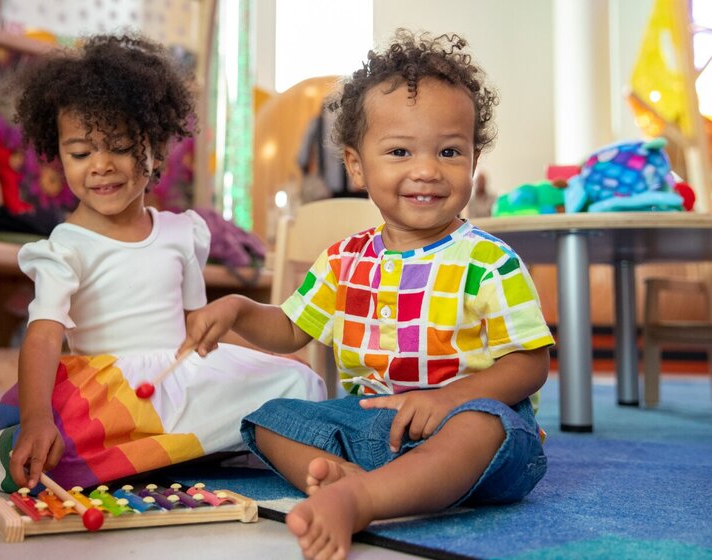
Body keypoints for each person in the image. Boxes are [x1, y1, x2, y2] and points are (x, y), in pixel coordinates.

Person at [181, 29, 554, 560]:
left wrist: (446, 400)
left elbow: (530, 364)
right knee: (266, 421)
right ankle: (357, 480)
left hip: (467, 432)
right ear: (357, 166)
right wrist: (240, 309)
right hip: (375, 426)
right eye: (400, 151)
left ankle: (360, 499)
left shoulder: (489, 262)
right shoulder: (345, 259)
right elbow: (290, 329)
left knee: (483, 427)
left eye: (450, 151)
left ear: (473, 162)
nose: (426, 170)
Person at [0, 34, 325, 492]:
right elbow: (43, 337)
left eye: (120, 147)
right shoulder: (66, 245)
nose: (100, 166)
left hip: (178, 381)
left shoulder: (182, 232)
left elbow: (196, 330)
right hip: (106, 396)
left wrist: (254, 357)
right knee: (53, 449)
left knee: (299, 383)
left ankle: (173, 449)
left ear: (155, 150)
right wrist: (37, 418)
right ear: (59, 154)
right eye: (81, 153)